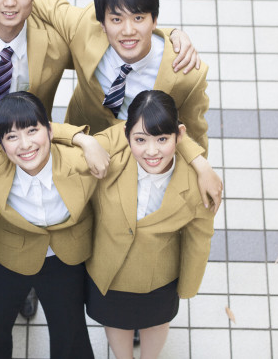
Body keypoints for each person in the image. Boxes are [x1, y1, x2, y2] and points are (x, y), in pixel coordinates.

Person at [0, 0, 222, 213]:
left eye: (139, 19)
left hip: (140, 156)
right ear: (102, 23)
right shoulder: (83, 27)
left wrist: (198, 170)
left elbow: (194, 131)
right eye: (116, 19)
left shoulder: (187, 74)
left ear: (154, 20)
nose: (128, 31)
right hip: (78, 146)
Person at [74, 90, 216, 359]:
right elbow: (48, 136)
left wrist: (187, 287)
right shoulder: (110, 149)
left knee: (157, 323)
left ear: (179, 135)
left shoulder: (198, 183)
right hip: (108, 271)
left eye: (162, 139)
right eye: (140, 140)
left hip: (159, 277)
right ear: (126, 135)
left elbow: (199, 239)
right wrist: (82, 139)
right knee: (115, 322)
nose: (152, 151)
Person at [0, 92, 97, 359]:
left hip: (63, 256)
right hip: (8, 253)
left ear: (51, 131)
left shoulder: (79, 161)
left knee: (71, 335)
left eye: (33, 131)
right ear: (0, 143)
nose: (25, 144)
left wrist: (82, 138)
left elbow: (125, 137)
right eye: (12, 136)